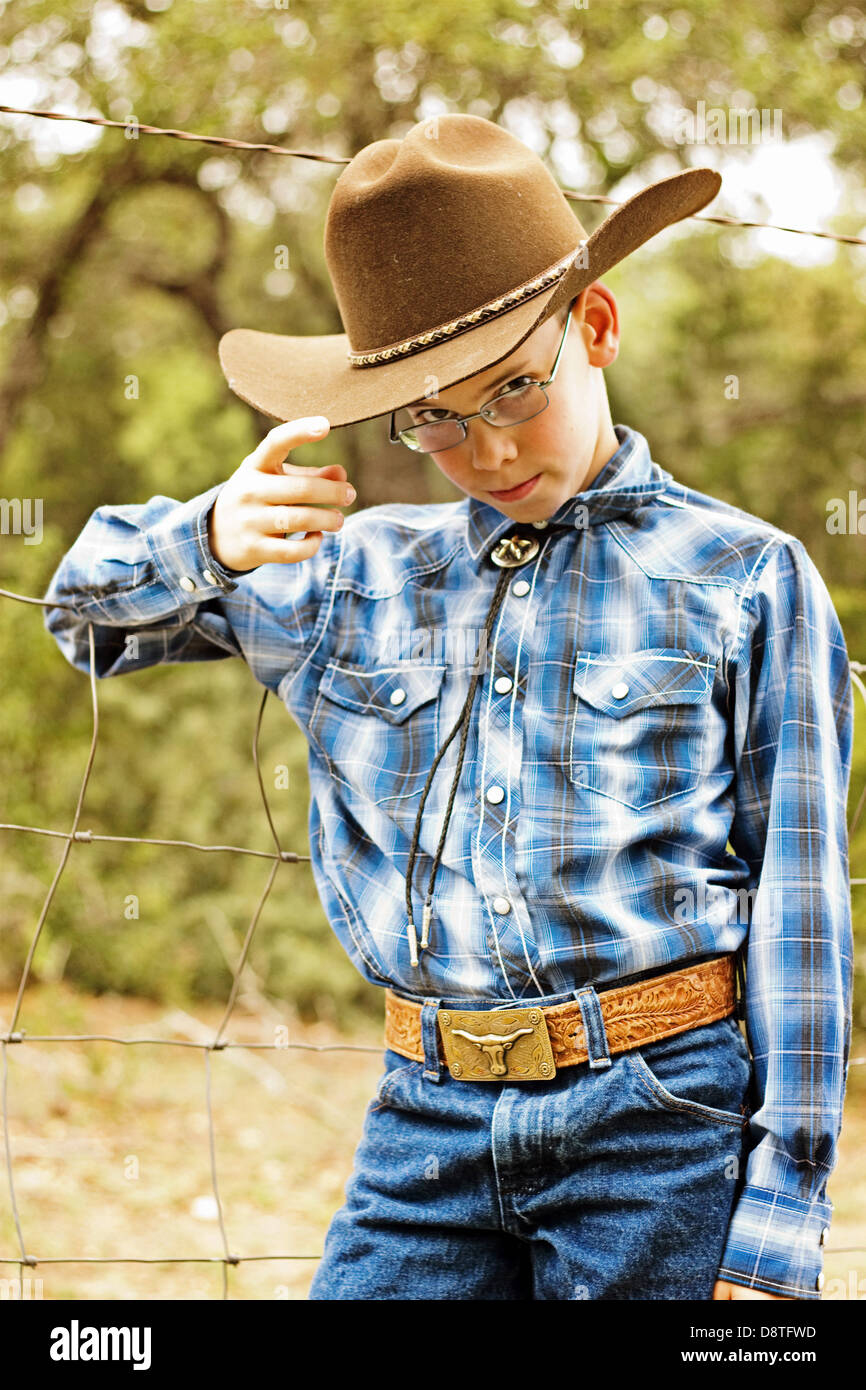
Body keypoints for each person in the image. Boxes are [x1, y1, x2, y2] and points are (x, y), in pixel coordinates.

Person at [42, 114, 854, 1301]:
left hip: (661, 1120)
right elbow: (84, 617)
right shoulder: (354, 577)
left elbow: (799, 910)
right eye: (429, 415)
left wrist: (779, 1214)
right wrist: (205, 537)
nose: (480, 446)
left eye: (514, 388)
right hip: (423, 1122)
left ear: (596, 327)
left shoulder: (743, 577)